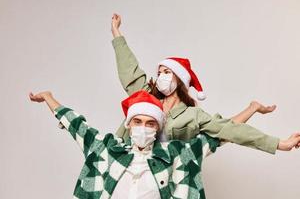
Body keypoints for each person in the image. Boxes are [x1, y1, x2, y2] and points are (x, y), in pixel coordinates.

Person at [29, 90, 300, 199]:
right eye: (138, 122)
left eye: (150, 124)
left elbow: (223, 133)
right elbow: (78, 126)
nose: (144, 128)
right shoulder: (106, 148)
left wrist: (280, 144)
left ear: (158, 127)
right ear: (129, 124)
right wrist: (49, 99)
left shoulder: (177, 154)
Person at [110, 13, 298, 154]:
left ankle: (252, 107)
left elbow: (229, 130)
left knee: (221, 133)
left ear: (180, 79)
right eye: (159, 73)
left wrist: (279, 144)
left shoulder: (193, 115)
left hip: (166, 174)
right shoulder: (147, 98)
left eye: (167, 72)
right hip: (130, 164)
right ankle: (253, 107)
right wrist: (116, 33)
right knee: (220, 132)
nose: (161, 77)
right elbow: (130, 71)